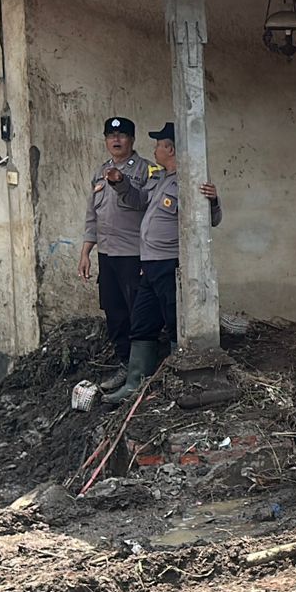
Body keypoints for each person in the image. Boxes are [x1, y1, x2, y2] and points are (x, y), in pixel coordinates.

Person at [103, 122, 222, 404]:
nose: (154, 149)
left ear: (170, 149)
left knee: (174, 321)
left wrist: (214, 200)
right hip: (150, 264)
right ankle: (134, 385)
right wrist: (120, 183)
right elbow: (139, 200)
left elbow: (211, 220)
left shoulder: (191, 183)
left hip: (170, 264)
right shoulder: (160, 179)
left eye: (158, 145)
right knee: (142, 322)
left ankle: (179, 383)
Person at [77, 117, 151, 391]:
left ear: (132, 139)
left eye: (121, 135)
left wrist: (121, 183)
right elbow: (92, 216)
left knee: (138, 314)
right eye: (111, 135)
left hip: (134, 254)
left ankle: (143, 370)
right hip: (107, 255)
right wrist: (86, 252)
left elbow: (142, 203)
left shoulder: (146, 171)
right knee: (115, 313)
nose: (116, 140)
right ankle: (125, 364)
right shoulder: (100, 171)